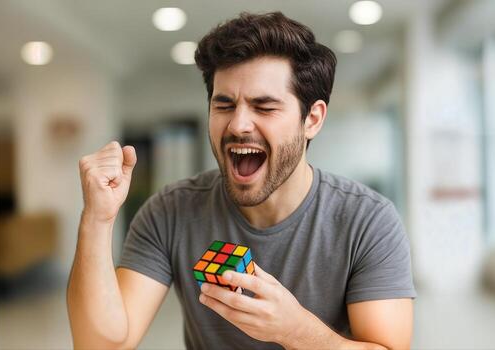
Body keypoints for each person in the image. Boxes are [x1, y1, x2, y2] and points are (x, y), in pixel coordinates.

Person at [67, 11, 416, 350]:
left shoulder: (369, 221)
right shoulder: (170, 211)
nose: (238, 125)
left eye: (264, 107)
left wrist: (297, 332)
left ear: (312, 119)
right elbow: (99, 344)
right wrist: (97, 219)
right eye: (224, 105)